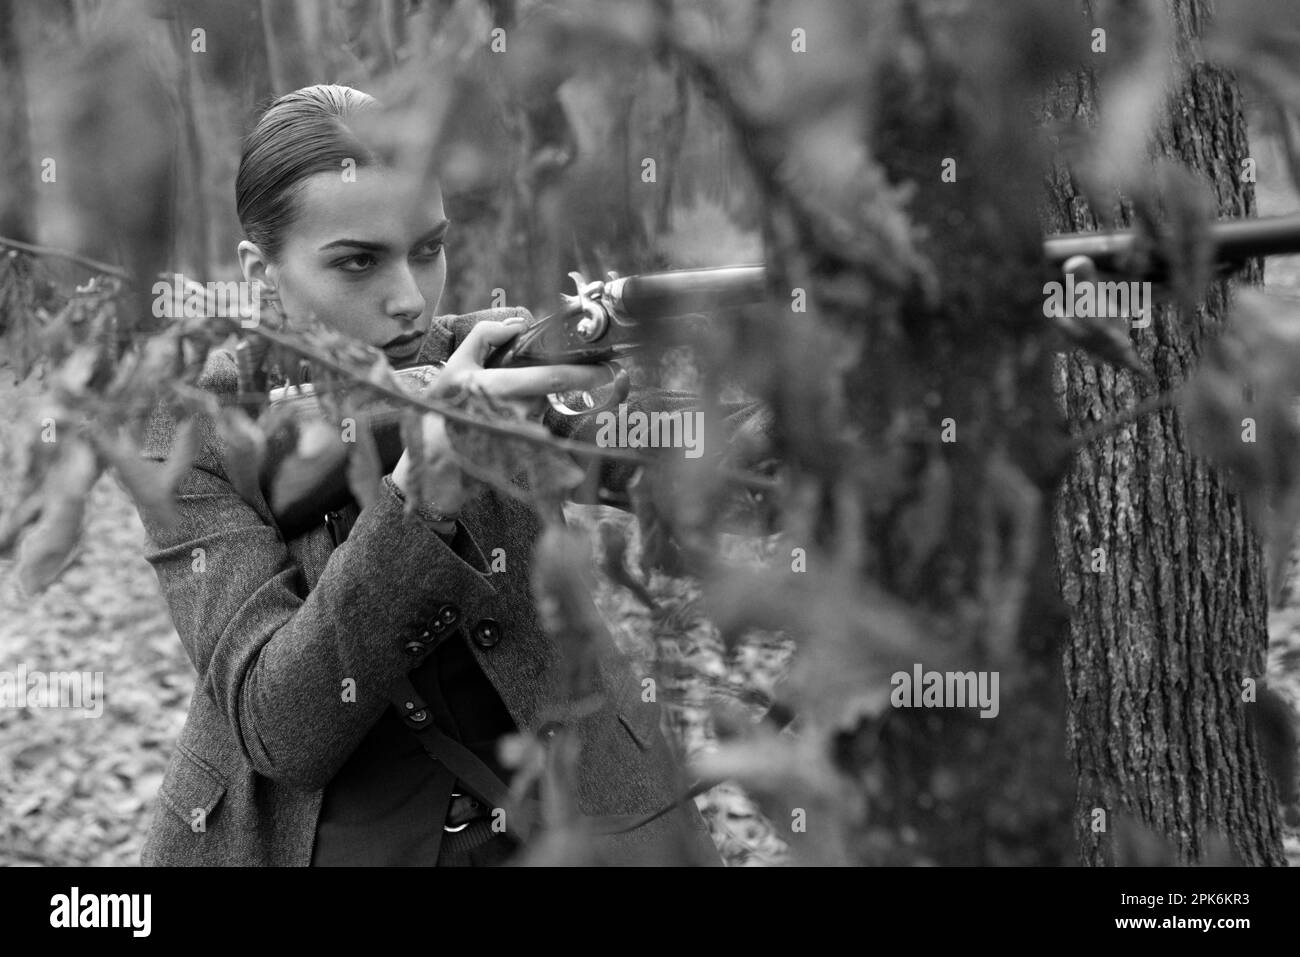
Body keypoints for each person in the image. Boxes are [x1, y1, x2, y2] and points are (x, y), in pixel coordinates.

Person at [136, 83, 723, 866]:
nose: (411, 301)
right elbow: (280, 726)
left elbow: (654, 449)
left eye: (428, 248)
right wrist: (415, 492)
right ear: (259, 269)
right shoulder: (191, 429)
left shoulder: (484, 356)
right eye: (357, 262)